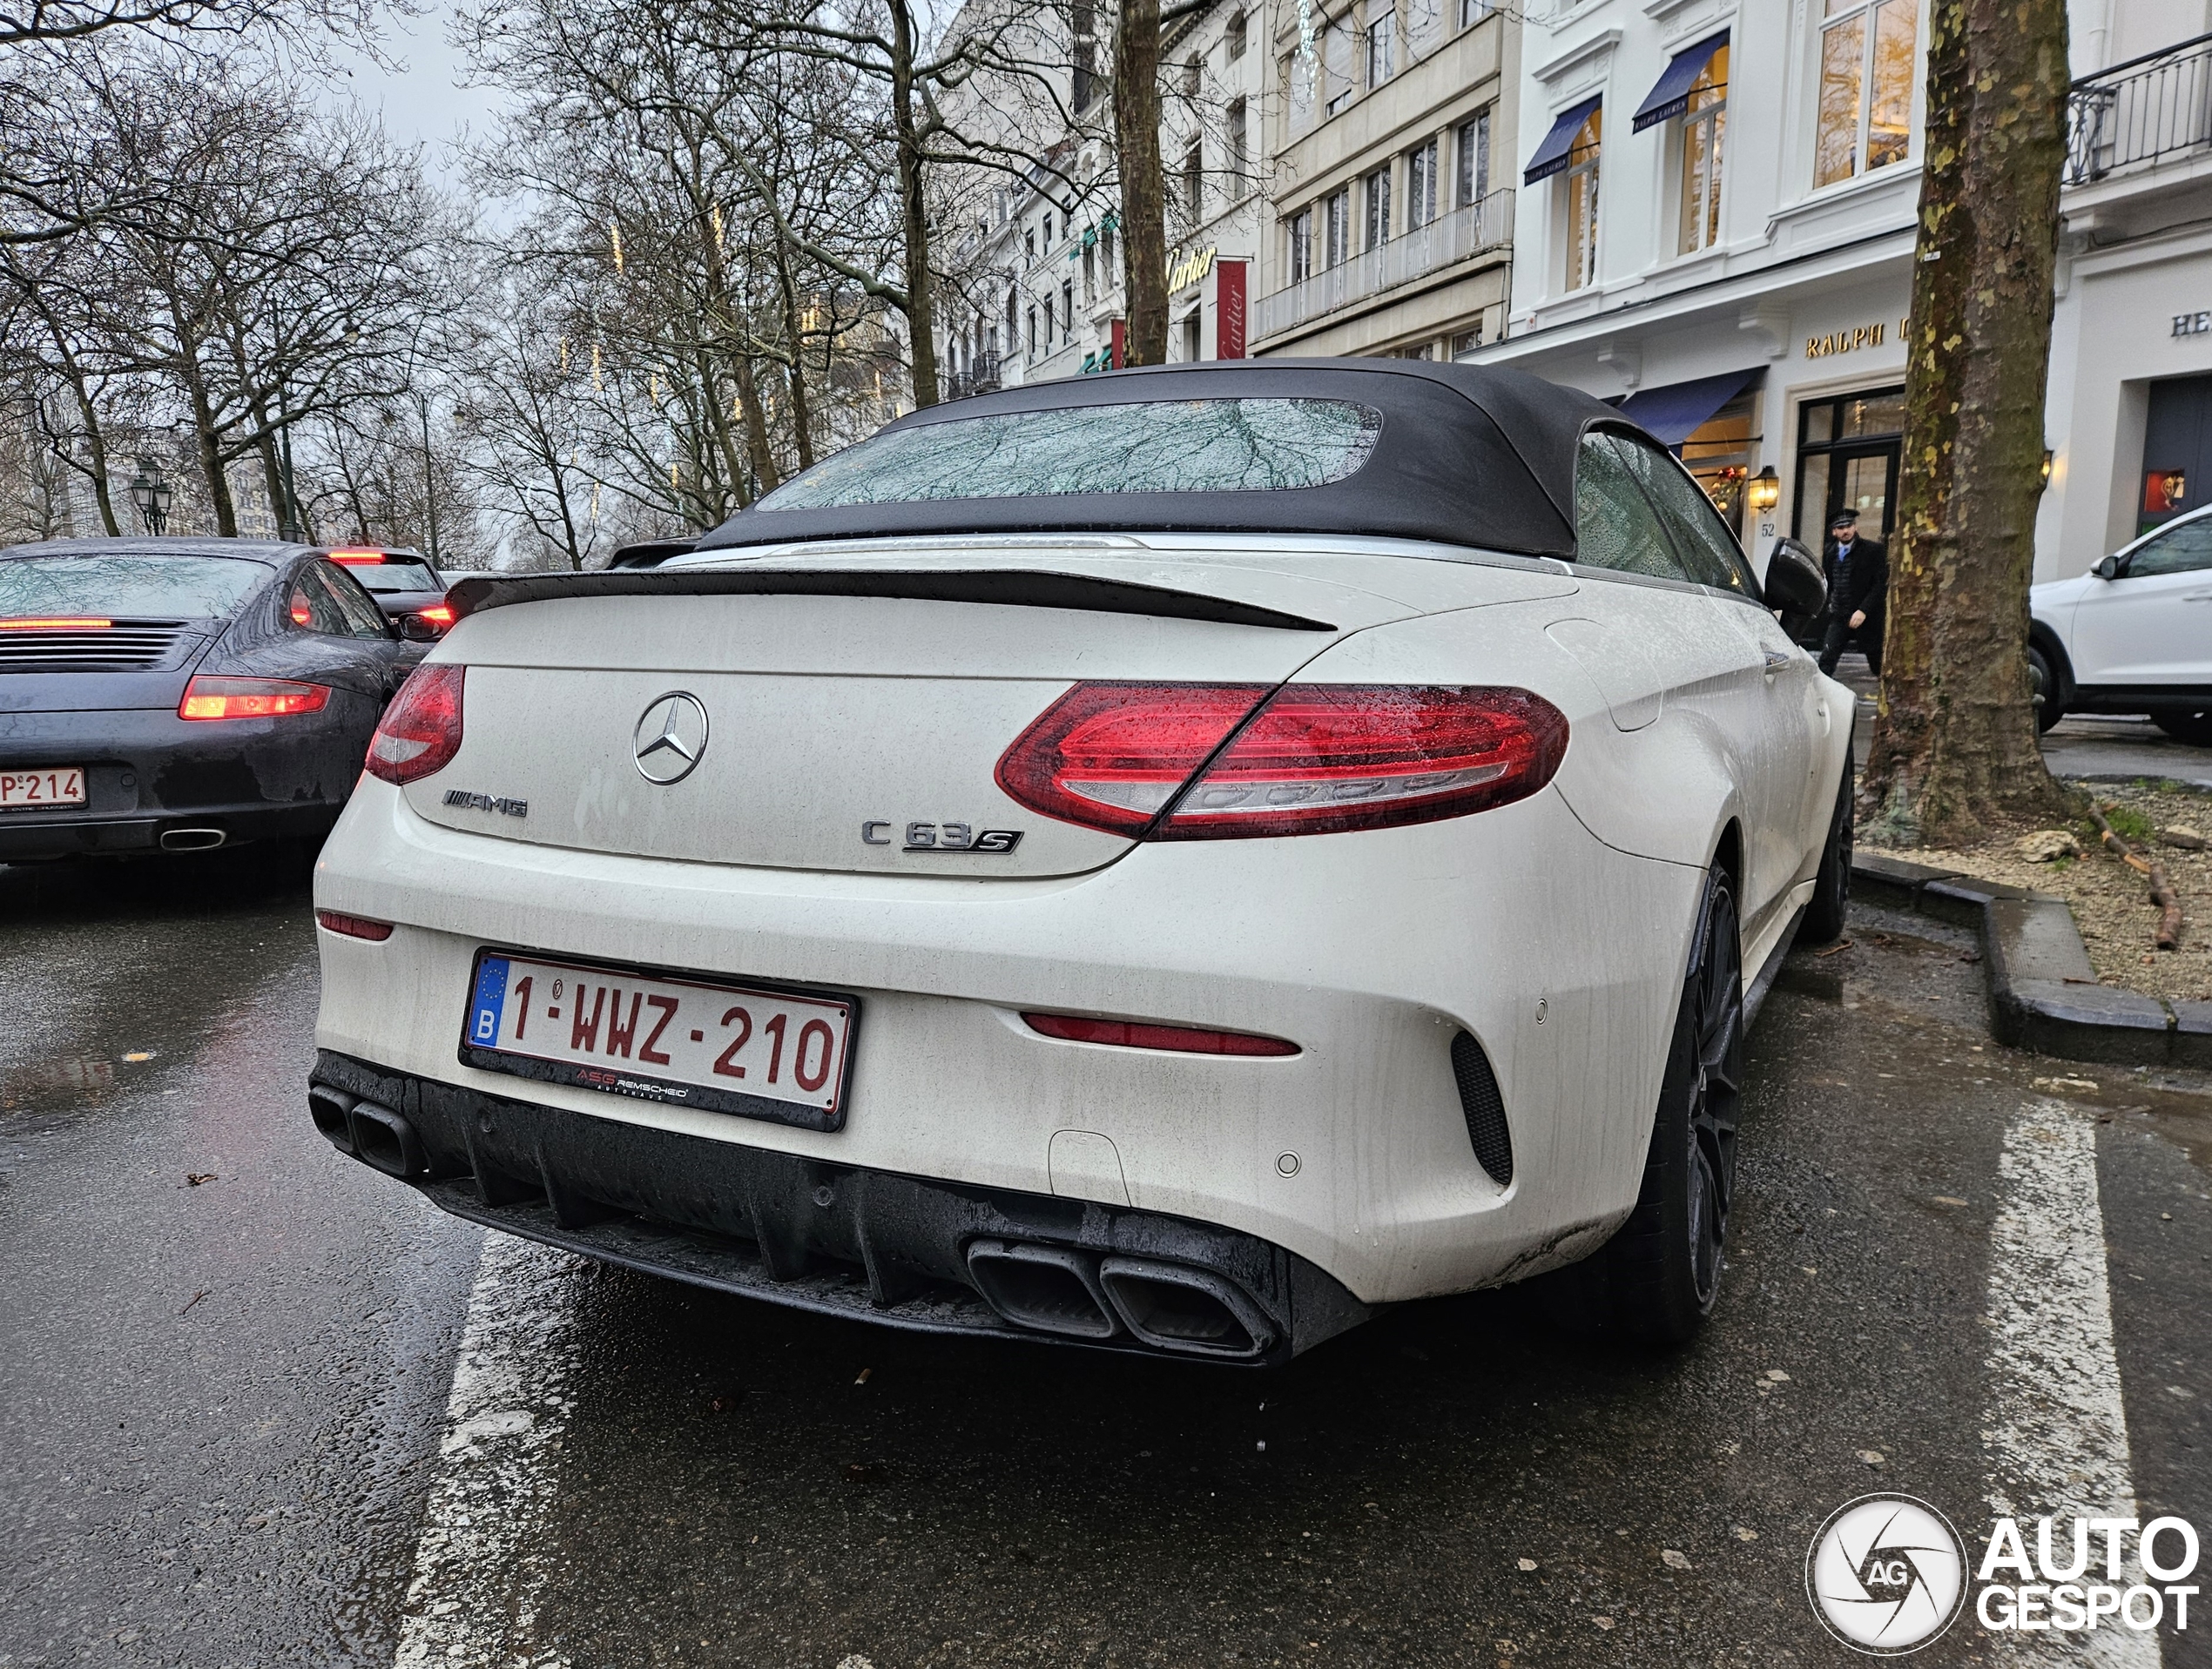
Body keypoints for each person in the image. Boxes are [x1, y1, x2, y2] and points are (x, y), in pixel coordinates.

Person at [1817, 508, 1888, 676]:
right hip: (1840, 614)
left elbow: (1880, 584)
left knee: (1877, 662)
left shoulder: (1873, 550)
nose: (1846, 531)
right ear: (1834, 531)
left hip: (1867, 616)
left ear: (1855, 527)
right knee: (1827, 659)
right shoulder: (1830, 552)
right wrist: (1829, 604)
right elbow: (1829, 581)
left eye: (1849, 526)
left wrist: (1863, 610)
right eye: (1841, 528)